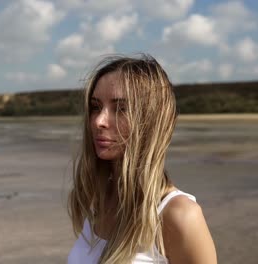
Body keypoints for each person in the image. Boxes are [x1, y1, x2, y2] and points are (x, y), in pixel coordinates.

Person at [67, 54, 217, 264]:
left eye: (121, 108)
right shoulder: (98, 199)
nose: (99, 121)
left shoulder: (179, 216)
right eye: (95, 107)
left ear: (151, 120)